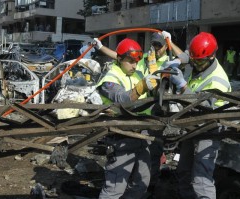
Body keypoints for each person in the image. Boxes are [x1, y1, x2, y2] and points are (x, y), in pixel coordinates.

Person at [93, 33, 175, 190]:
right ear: (119, 59)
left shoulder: (137, 73)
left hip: (140, 136)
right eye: (130, 61)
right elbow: (122, 99)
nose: (135, 66)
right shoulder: (109, 79)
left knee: (141, 181)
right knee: (115, 187)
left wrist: (158, 81)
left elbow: (153, 96)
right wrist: (141, 87)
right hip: (120, 137)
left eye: (137, 62)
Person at [162, 31, 231, 199]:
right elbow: (188, 55)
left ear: (212, 56)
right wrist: (179, 60)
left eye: (199, 63)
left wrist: (184, 86)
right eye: (194, 61)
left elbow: (205, 107)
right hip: (192, 125)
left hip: (209, 127)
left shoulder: (218, 81)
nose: (195, 65)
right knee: (184, 171)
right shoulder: (201, 60)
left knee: (201, 179)